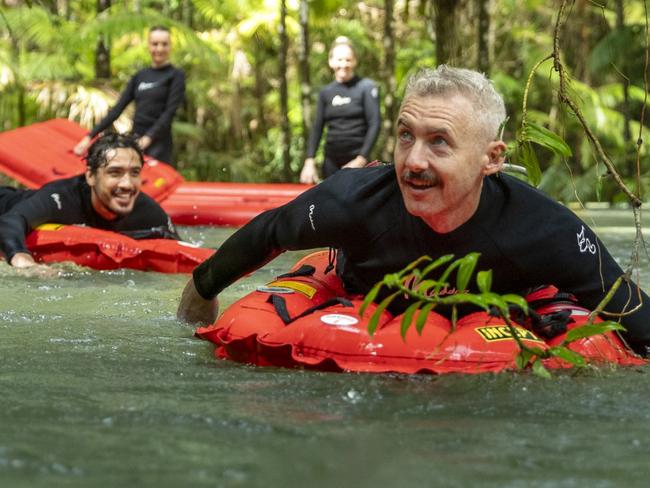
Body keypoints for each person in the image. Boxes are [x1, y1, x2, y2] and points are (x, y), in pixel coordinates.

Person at [178, 65, 650, 356]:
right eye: (406, 135)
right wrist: (193, 311)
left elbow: (634, 315)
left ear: (492, 158)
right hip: (358, 289)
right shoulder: (352, 200)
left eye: (439, 141)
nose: (414, 161)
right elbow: (264, 236)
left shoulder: (545, 230)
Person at [1, 132, 179, 271]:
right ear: (91, 176)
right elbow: (11, 220)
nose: (127, 184)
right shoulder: (62, 197)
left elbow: (182, 250)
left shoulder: (147, 212)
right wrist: (22, 259)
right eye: (115, 173)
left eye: (134, 173)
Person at [73, 26, 185, 165]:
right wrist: (89, 137)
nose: (159, 49)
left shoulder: (175, 75)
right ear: (149, 45)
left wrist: (148, 138)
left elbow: (169, 113)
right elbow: (117, 109)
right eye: (155, 44)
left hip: (159, 144)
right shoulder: (140, 76)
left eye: (164, 44)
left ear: (170, 46)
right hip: (135, 140)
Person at [299, 37, 381, 184]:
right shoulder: (326, 92)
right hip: (331, 161)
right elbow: (318, 127)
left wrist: (361, 159)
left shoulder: (366, 87)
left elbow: (374, 123)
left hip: (358, 160)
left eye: (348, 60)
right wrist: (309, 161)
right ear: (331, 62)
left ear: (355, 61)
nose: (343, 64)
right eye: (339, 59)